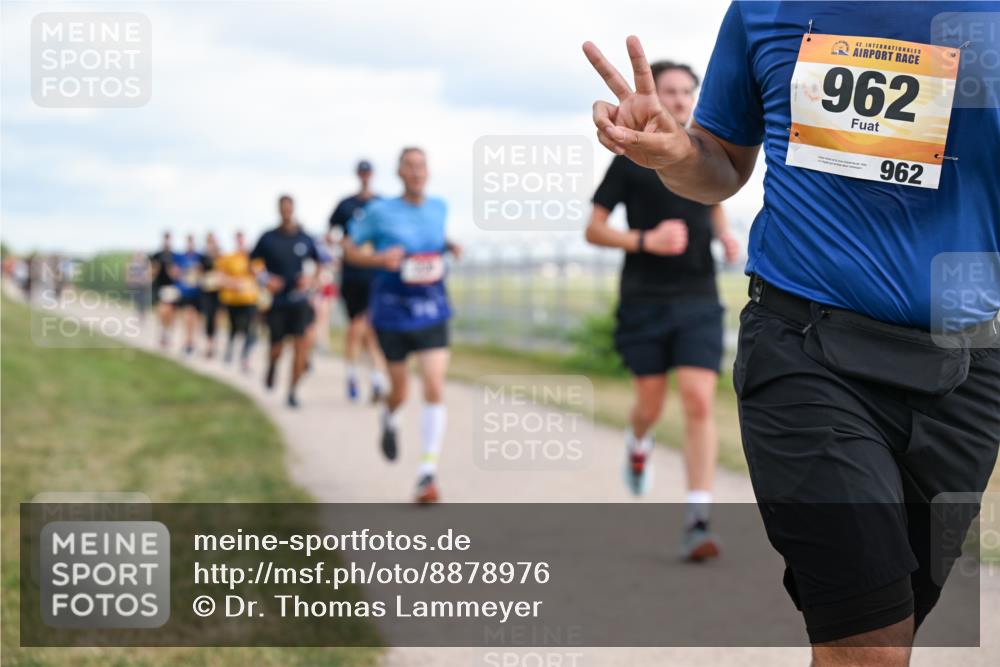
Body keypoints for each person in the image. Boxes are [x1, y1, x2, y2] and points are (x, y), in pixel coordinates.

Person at [583, 3, 999, 663]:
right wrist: (677, 154)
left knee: (892, 630)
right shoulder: (766, 8)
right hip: (805, 351)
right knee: (867, 643)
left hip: (965, 373)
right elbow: (721, 162)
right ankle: (695, 511)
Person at [585, 59, 740, 561]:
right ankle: (639, 442)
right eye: (670, 91)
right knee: (649, 406)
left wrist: (724, 234)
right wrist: (644, 240)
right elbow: (593, 229)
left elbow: (713, 199)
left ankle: (698, 519)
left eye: (687, 92)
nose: (679, 100)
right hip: (644, 301)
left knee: (698, 399)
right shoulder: (630, 158)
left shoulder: (702, 149)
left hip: (698, 297)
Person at [343, 147, 461, 504]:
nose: (416, 172)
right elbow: (349, 249)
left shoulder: (439, 207)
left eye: (421, 166)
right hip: (392, 310)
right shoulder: (379, 212)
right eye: (409, 166)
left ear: (428, 172)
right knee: (401, 392)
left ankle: (427, 473)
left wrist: (449, 246)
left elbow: (432, 240)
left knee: (434, 384)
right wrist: (378, 258)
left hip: (432, 306)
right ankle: (389, 416)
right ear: (399, 173)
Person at [251, 195, 323, 408]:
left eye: (289, 209)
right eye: (283, 209)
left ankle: (292, 391)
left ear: (293, 209)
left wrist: (311, 280)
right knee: (277, 348)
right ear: (279, 210)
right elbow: (253, 264)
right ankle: (272, 366)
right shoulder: (268, 238)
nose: (286, 212)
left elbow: (320, 263)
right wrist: (266, 279)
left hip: (299, 301)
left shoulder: (305, 238)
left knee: (301, 347)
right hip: (277, 302)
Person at [330, 159, 388, 403]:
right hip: (352, 275)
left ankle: (376, 379)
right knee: (356, 328)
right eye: (362, 172)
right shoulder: (345, 205)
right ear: (358, 174)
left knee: (370, 329)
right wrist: (344, 245)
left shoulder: (382, 204)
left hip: (375, 274)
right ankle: (353, 374)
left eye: (368, 172)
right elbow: (331, 233)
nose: (365, 175)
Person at [216, 231, 259, 373]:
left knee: (250, 330)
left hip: (249, 299)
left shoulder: (253, 258)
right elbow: (220, 276)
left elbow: (259, 275)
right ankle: (229, 351)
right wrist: (233, 283)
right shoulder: (229, 258)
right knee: (234, 328)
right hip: (233, 300)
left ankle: (245, 358)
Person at [172, 234, 204, 356]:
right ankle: (188, 342)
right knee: (187, 317)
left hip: (197, 293)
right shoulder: (180, 257)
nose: (190, 245)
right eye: (189, 242)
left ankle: (191, 342)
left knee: (195, 319)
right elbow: (175, 272)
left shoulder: (200, 257)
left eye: (192, 242)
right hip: (184, 292)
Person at [149, 233, 177, 349]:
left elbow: (176, 273)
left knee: (168, 311)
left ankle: (166, 333)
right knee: (161, 311)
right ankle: (162, 333)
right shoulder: (156, 255)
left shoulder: (174, 256)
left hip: (170, 287)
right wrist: (154, 270)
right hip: (158, 286)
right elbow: (151, 272)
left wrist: (172, 271)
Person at [200, 232, 223, 359]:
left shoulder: (221, 257)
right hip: (207, 292)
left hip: (219, 292)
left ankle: (215, 344)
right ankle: (209, 346)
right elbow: (198, 273)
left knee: (217, 319)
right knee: (209, 318)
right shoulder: (203, 257)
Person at [125, 251, 152, 323]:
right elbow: (127, 276)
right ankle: (139, 314)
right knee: (137, 301)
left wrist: (146, 282)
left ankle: (142, 315)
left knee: (143, 301)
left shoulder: (145, 265)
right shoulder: (130, 265)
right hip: (134, 286)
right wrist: (129, 283)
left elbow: (149, 275)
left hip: (143, 286)